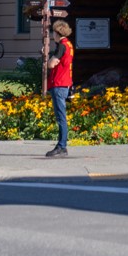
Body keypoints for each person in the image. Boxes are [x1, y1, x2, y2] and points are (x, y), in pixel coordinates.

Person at [46, 20, 74, 158]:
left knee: (61, 117)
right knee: (61, 116)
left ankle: (62, 146)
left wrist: (49, 59)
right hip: (65, 83)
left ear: (57, 32)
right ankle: (62, 145)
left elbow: (52, 64)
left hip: (59, 83)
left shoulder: (61, 46)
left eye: (53, 32)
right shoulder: (69, 44)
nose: (52, 35)